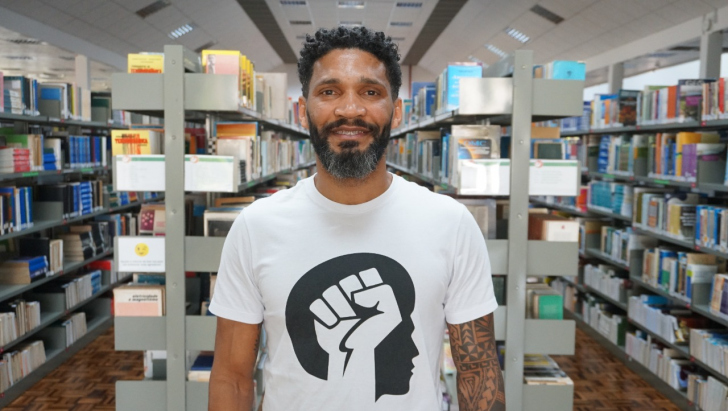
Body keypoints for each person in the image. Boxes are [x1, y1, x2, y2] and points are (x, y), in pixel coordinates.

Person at [208, 26, 505, 411]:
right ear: (303, 112)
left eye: (370, 92)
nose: (350, 110)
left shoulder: (451, 223)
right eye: (329, 92)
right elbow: (232, 377)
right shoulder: (255, 227)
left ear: (397, 112)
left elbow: (478, 370)